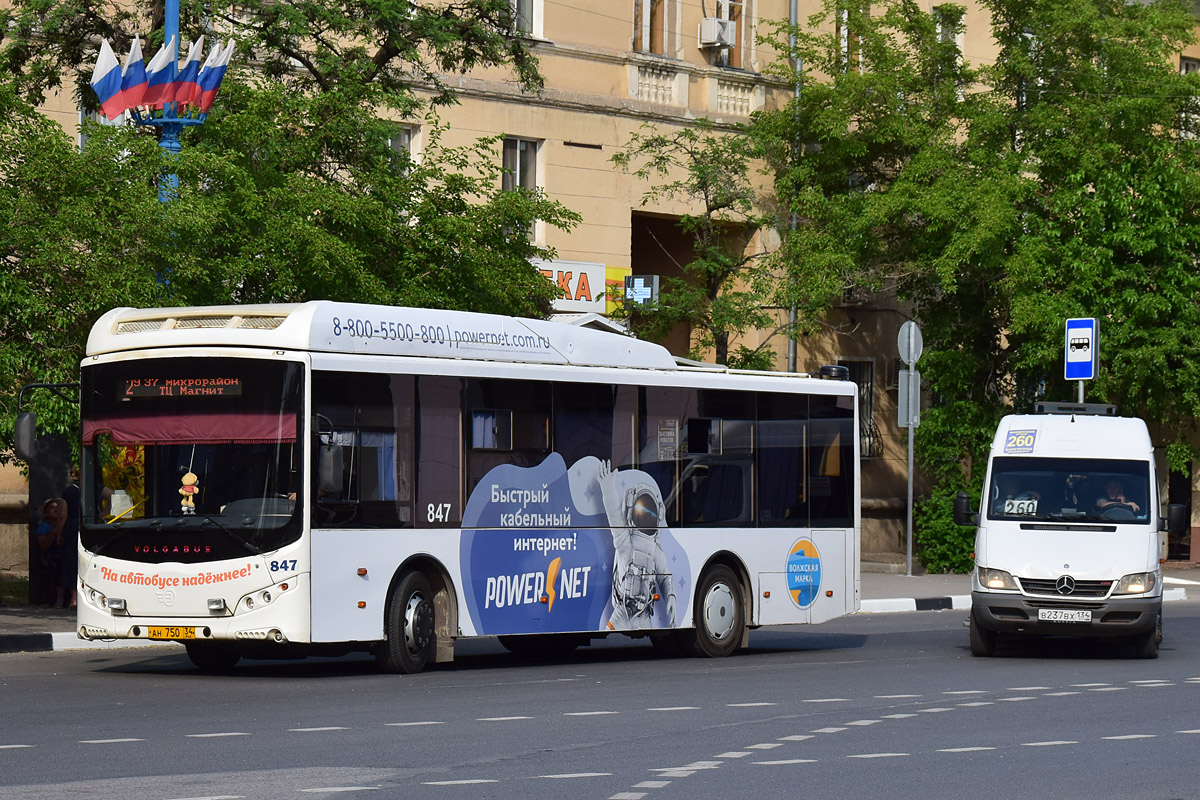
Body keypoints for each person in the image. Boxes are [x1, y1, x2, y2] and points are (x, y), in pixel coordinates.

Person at [34, 498, 67, 608]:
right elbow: (43, 545)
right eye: (52, 508)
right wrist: (53, 533)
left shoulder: (66, 525)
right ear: (46, 512)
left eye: (58, 508)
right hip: (50, 557)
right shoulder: (44, 526)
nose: (56, 510)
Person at [61, 466, 81, 609]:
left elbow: (64, 515)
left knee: (71, 560)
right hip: (89, 524)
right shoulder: (94, 487)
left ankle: (74, 598)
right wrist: (103, 514)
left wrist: (59, 532)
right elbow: (112, 495)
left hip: (72, 526)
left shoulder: (68, 492)